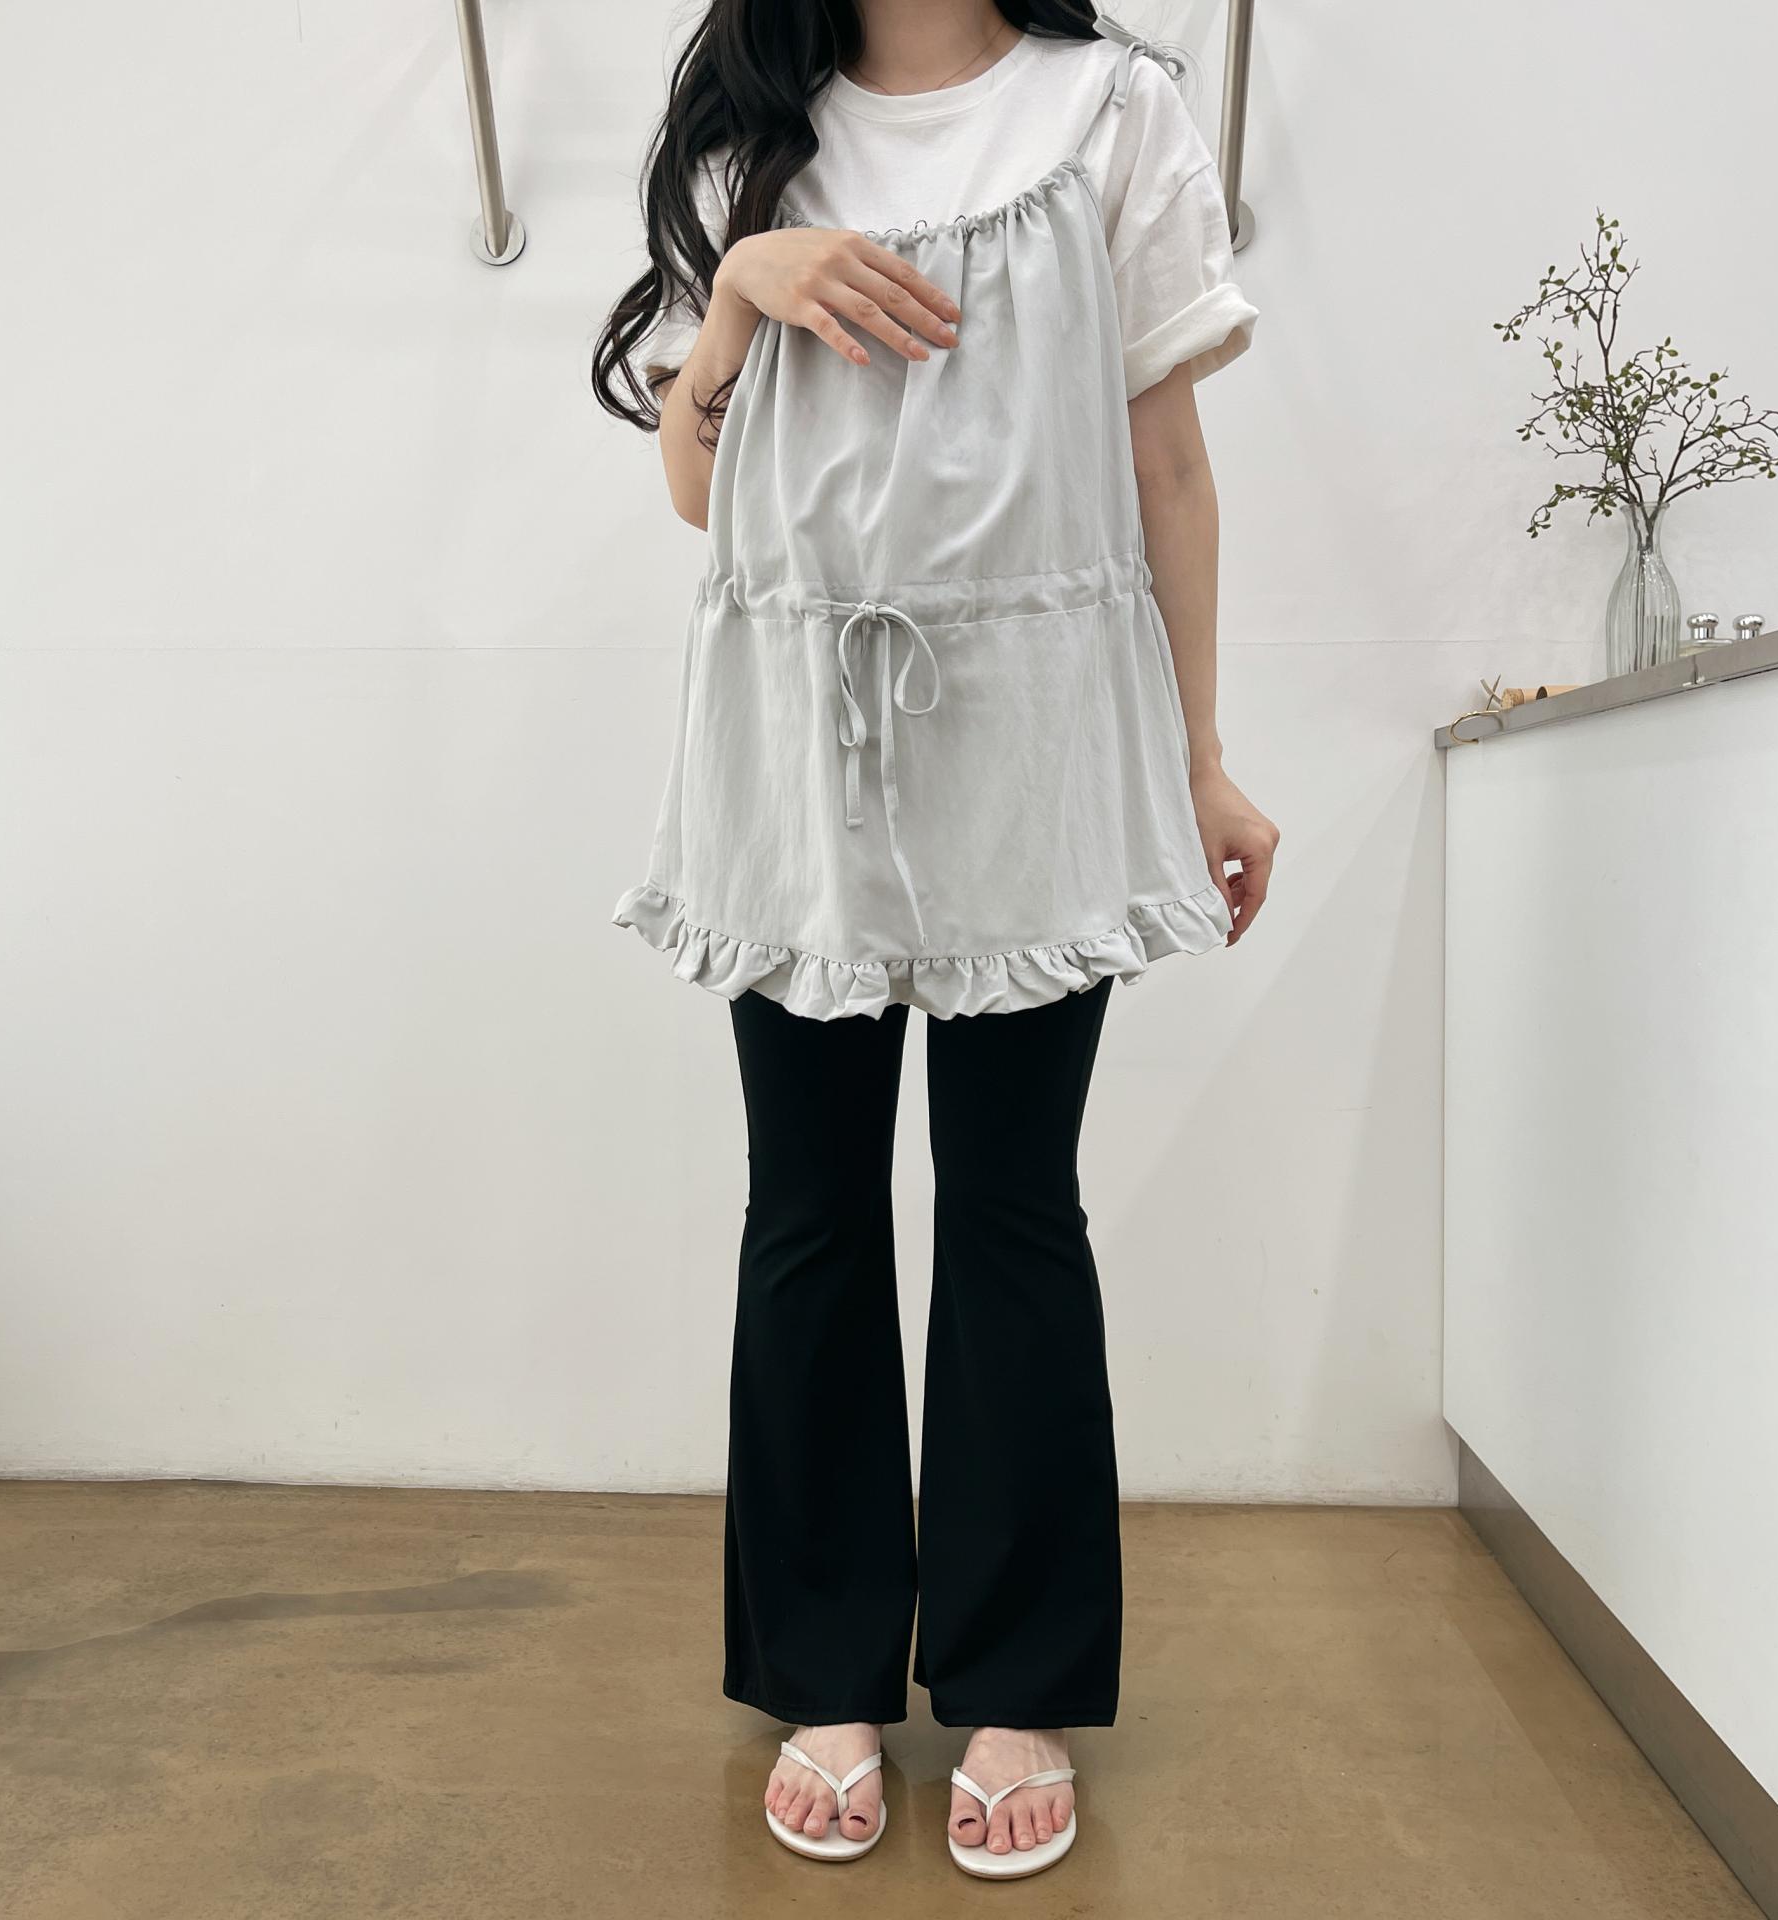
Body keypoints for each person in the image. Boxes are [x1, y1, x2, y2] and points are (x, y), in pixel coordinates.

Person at [593, 0, 1278, 1881]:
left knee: (1012, 1205)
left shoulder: (1114, 113)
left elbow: (1167, 464)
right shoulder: (755, 122)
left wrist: (1201, 761)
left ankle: (1015, 1683)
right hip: (798, 746)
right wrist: (743, 294)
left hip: (1038, 736)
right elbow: (697, 490)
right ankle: (822, 1677)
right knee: (809, 1208)